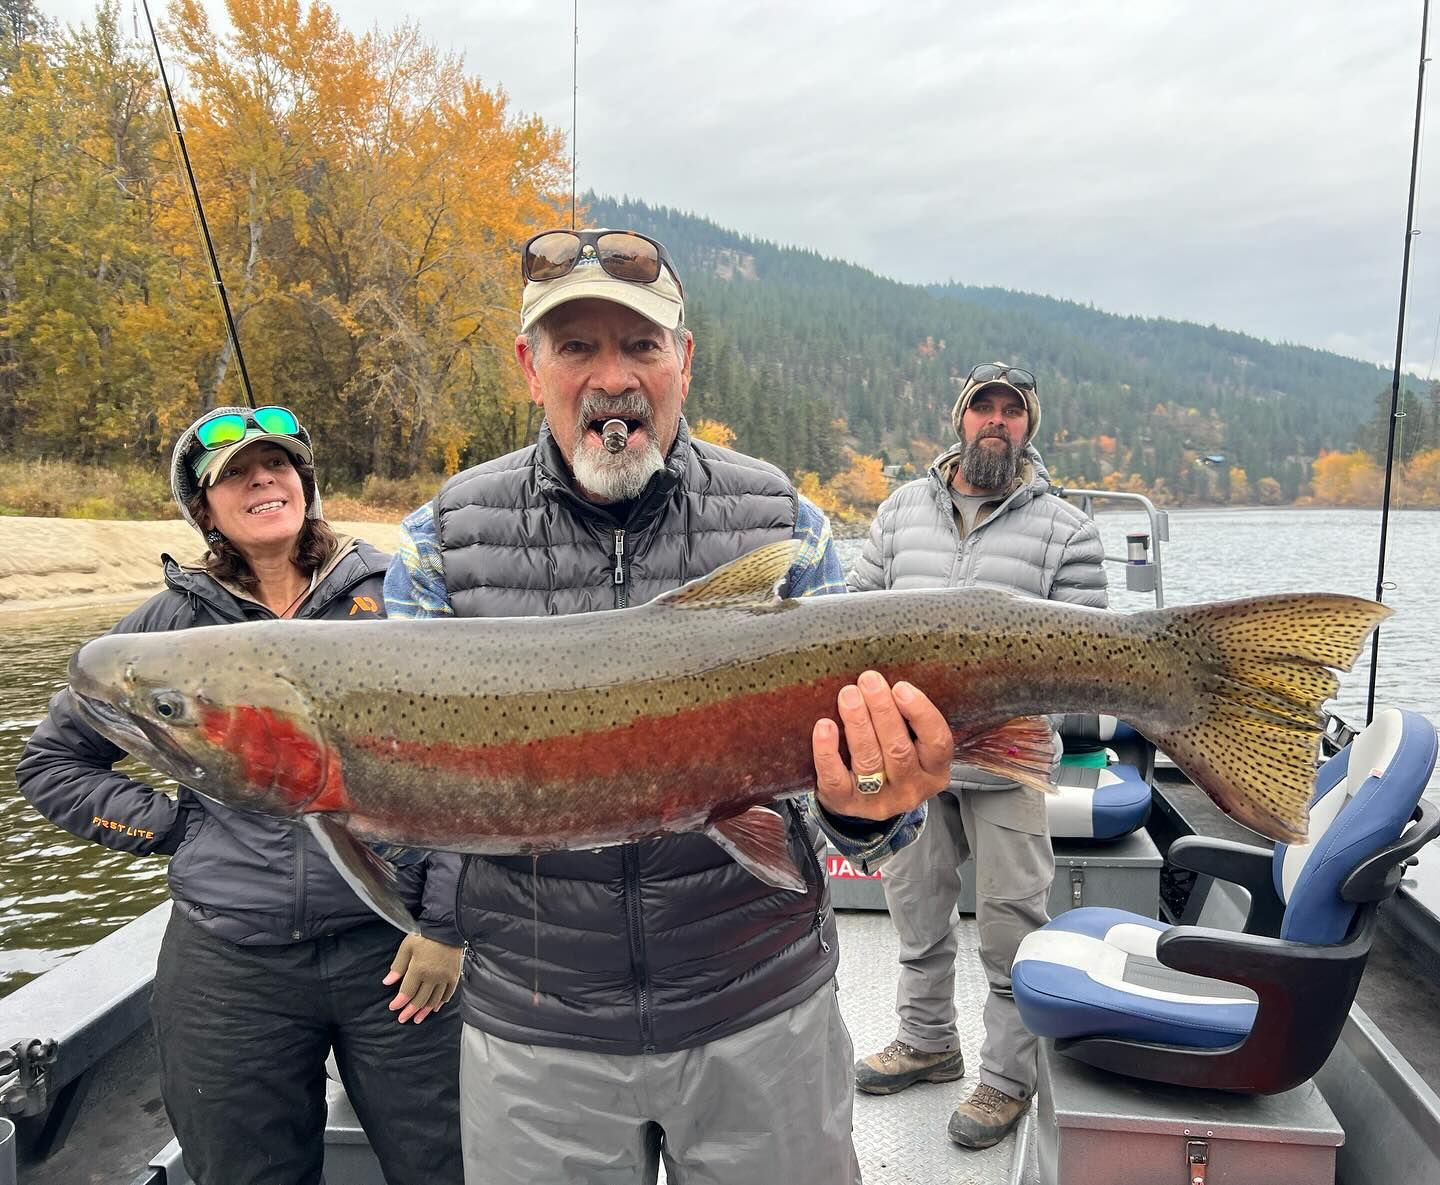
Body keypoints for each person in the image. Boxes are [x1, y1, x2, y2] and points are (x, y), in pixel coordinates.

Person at [384, 226, 954, 1185]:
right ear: (531, 369)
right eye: (577, 348)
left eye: (641, 346)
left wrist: (874, 805)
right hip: (538, 1033)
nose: (613, 379)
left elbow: (874, 834)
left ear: (682, 363)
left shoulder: (784, 524)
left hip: (762, 1011)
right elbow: (417, 810)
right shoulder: (439, 544)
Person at [15, 408, 465, 1185]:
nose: (264, 479)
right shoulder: (164, 628)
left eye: (280, 464)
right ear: (204, 508)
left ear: (306, 485)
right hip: (229, 969)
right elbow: (52, 763)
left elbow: (475, 770)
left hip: (394, 951)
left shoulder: (398, 597)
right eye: (235, 473)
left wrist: (448, 923)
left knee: (450, 1167)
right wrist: (175, 826)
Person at [848, 361, 1107, 1149]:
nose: (997, 422)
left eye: (1012, 411)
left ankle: (1004, 1079)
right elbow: (851, 618)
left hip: (1009, 765)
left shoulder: (1068, 528)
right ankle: (928, 1042)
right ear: (959, 419)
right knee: (916, 917)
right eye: (983, 408)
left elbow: (1089, 654)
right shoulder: (899, 513)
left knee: (1012, 928)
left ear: (1030, 426)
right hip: (910, 769)